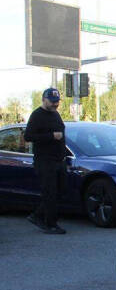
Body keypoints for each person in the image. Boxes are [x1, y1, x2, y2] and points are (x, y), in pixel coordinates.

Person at [24, 88, 67, 234]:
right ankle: (50, 224)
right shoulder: (37, 115)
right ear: (44, 100)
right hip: (45, 161)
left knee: (61, 190)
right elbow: (28, 136)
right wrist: (51, 136)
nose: (55, 104)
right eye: (52, 101)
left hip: (59, 160)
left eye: (57, 101)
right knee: (50, 193)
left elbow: (61, 134)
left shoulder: (55, 114)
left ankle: (37, 216)